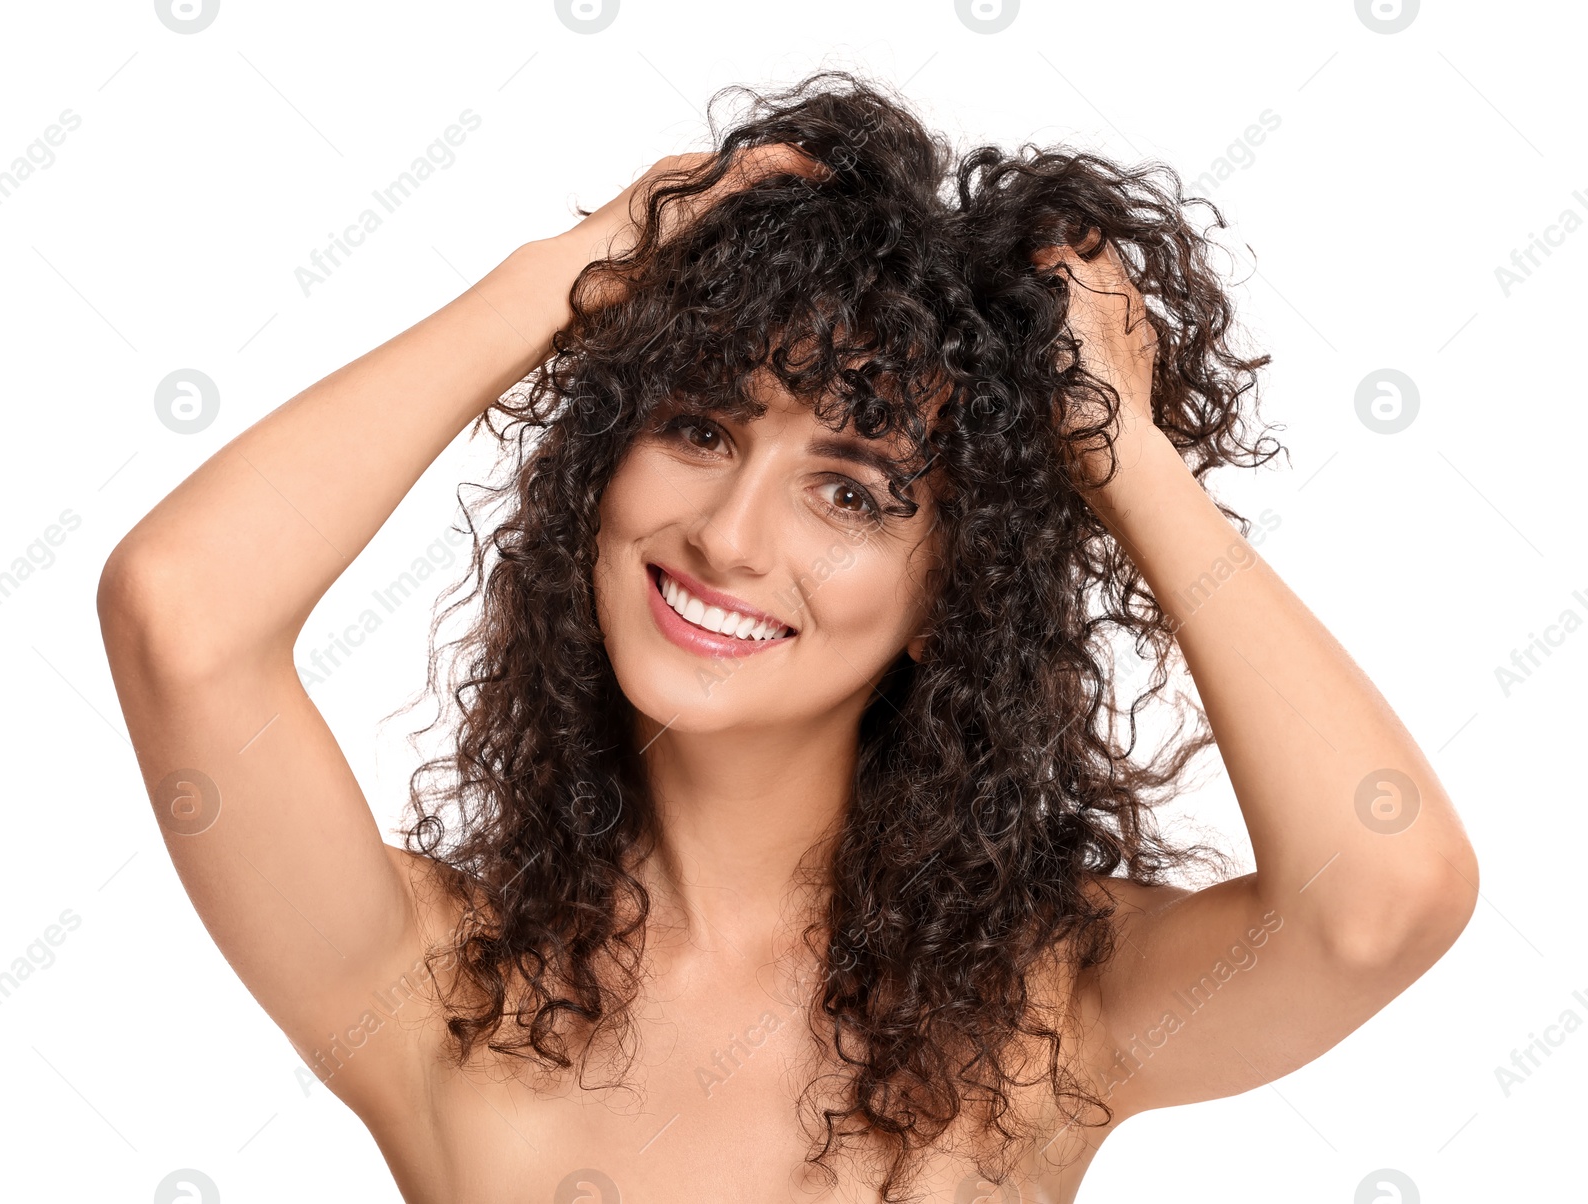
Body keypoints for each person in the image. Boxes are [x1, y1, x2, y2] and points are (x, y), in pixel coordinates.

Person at [98, 72, 1479, 1204]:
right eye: (699, 426)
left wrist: (1124, 457)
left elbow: (1383, 900)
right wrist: (573, 266)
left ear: (961, 592)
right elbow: (181, 614)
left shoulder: (1048, 1007)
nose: (733, 537)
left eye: (854, 491)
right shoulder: (431, 980)